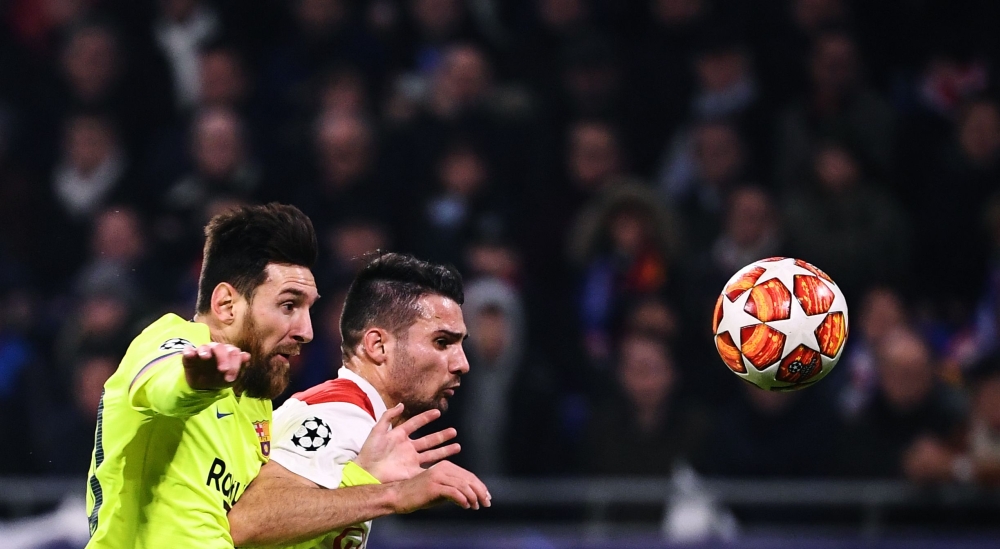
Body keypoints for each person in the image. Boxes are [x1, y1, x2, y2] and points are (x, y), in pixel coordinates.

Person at [85, 204, 489, 549]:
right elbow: (161, 385)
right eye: (288, 305)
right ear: (227, 304)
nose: (307, 330)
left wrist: (358, 477)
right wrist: (196, 380)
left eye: (308, 308)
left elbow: (255, 527)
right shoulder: (173, 341)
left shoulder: (255, 402)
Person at [253, 252, 476, 549]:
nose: (462, 363)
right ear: (377, 345)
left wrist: (363, 478)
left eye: (461, 344)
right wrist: (395, 495)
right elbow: (253, 520)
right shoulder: (341, 416)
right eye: (442, 342)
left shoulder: (364, 421)